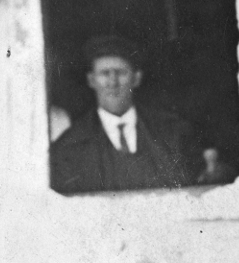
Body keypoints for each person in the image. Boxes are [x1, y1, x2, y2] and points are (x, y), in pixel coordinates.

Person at [49, 35, 215, 194]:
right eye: (104, 73)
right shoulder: (69, 148)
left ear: (136, 78)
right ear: (91, 80)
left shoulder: (174, 133)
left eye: (121, 73)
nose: (113, 83)